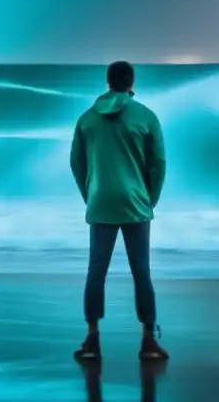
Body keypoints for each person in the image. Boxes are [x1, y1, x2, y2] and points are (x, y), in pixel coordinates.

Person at [70, 60, 168, 362]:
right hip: (136, 202)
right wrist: (149, 199)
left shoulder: (87, 119)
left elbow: (76, 163)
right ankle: (148, 340)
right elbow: (158, 163)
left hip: (101, 201)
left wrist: (92, 194)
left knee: (96, 270)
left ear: (107, 82)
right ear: (131, 83)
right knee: (141, 272)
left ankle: (92, 338)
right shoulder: (147, 117)